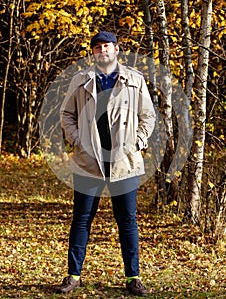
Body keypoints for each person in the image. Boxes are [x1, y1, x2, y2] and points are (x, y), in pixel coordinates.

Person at [58, 31, 155, 297]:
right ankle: (73, 276)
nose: (103, 50)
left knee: (127, 221)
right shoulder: (80, 80)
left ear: (116, 50)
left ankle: (133, 277)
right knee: (81, 220)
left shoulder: (134, 79)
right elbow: (67, 114)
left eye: (108, 46)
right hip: (89, 162)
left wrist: (138, 141)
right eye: (98, 47)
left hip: (125, 162)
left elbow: (148, 115)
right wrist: (78, 141)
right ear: (93, 52)